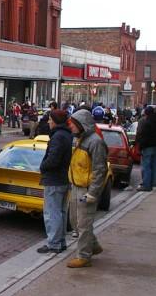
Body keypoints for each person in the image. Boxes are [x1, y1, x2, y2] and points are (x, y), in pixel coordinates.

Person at [66, 109, 109, 269]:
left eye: (73, 124)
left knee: (84, 224)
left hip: (86, 189)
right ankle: (93, 245)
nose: (71, 127)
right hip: (77, 185)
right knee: (75, 222)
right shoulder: (80, 138)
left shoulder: (95, 142)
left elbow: (100, 169)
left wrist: (93, 192)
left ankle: (84, 256)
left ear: (81, 124)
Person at [36, 109, 73, 254]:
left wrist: (43, 166)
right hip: (62, 178)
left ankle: (54, 243)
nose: (49, 122)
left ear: (56, 121)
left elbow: (53, 159)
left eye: (51, 119)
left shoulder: (58, 136)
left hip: (54, 179)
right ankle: (60, 241)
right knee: (61, 211)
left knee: (52, 212)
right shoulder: (66, 135)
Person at [135, 105, 156, 191]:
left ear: (146, 113)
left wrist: (140, 146)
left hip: (147, 147)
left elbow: (143, 136)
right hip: (155, 146)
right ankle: (153, 183)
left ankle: (146, 185)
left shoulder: (145, 122)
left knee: (146, 166)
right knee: (154, 165)